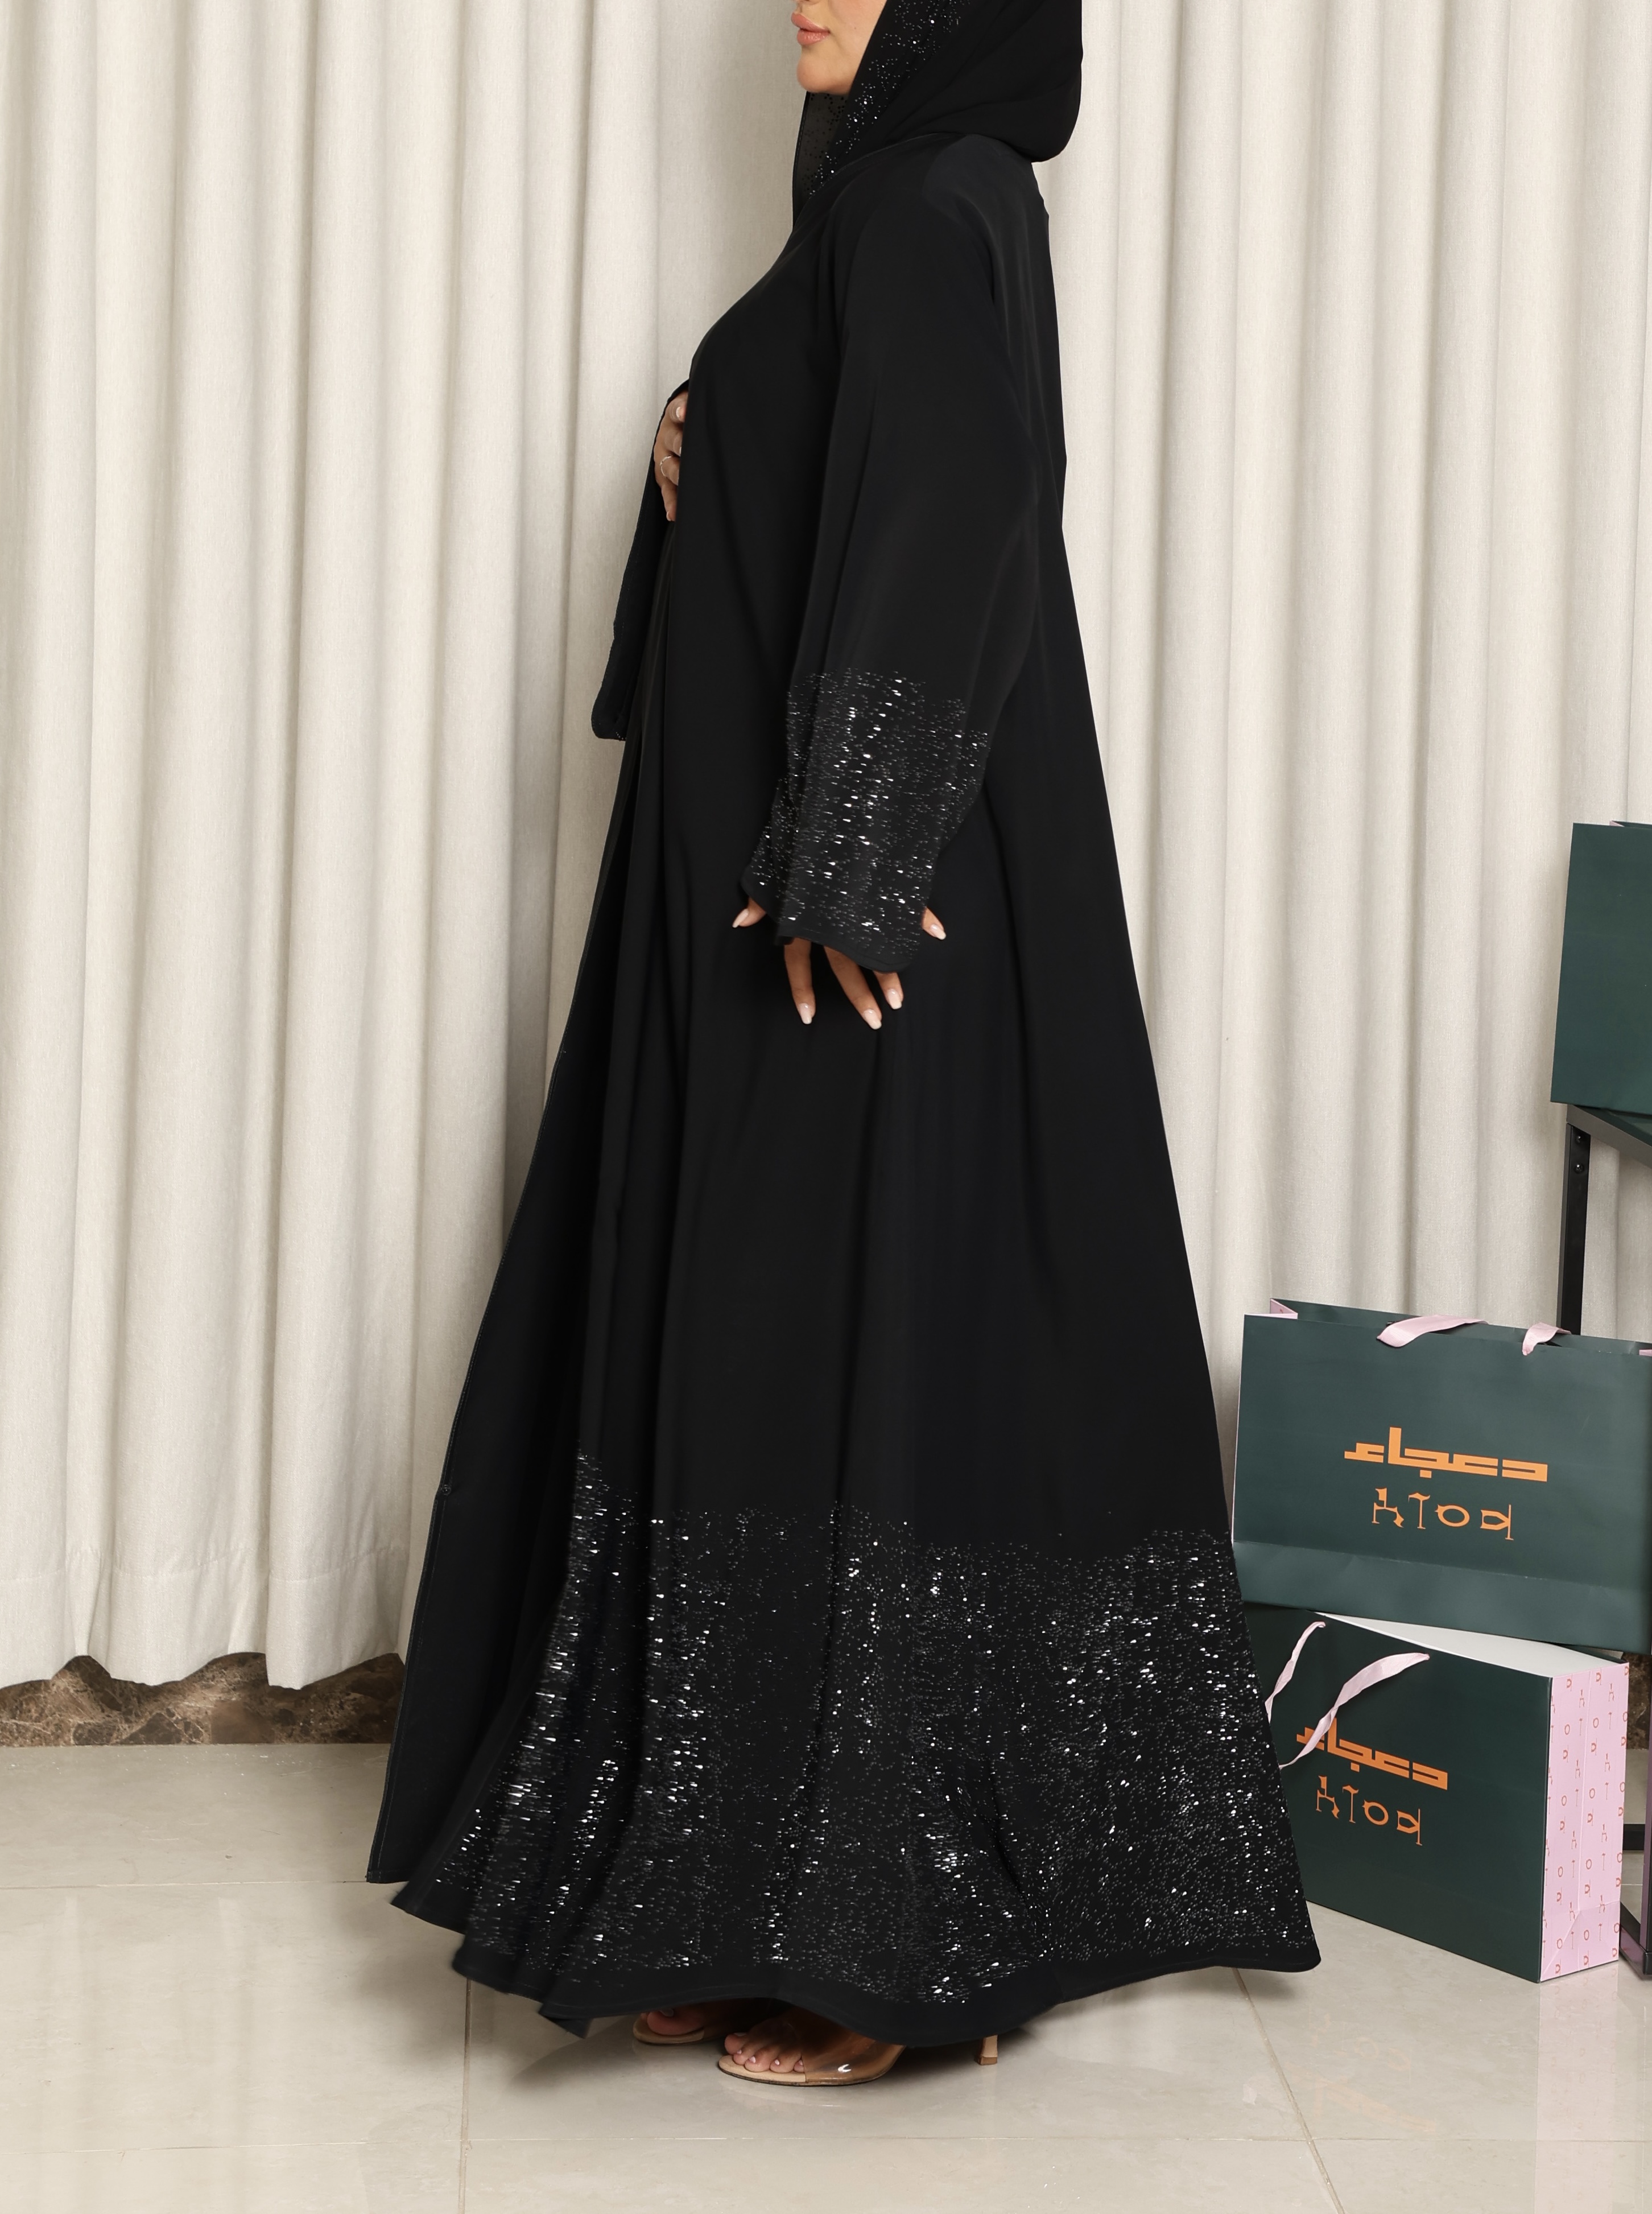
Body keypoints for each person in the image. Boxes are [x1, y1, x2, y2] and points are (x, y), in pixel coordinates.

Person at [369, 0, 1318, 2089]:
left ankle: (888, 1942)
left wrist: (857, 854)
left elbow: (967, 498)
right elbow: (849, 480)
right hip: (779, 898)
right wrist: (690, 447)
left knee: (846, 1375)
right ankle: (741, 1896)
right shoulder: (887, 215)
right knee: (775, 1372)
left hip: (851, 919)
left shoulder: (927, 203)